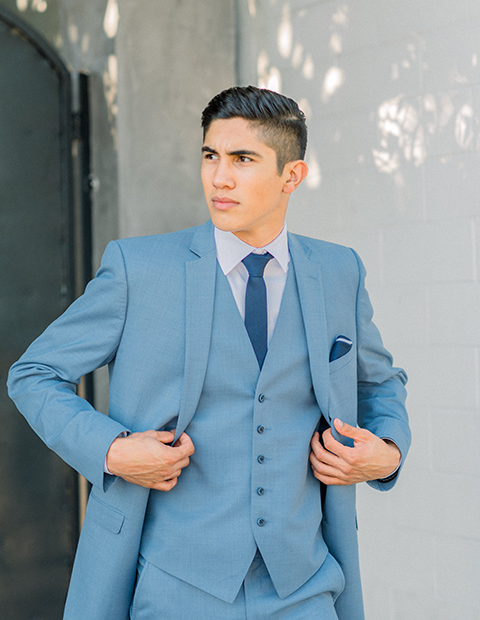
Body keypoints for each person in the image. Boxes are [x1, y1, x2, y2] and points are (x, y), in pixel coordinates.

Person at [8, 86, 410, 620]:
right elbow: (34, 373)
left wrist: (387, 451)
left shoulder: (338, 272)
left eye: (243, 160)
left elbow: (379, 382)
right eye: (210, 156)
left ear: (292, 176)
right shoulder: (139, 269)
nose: (219, 177)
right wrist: (110, 450)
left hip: (305, 586)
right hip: (173, 588)